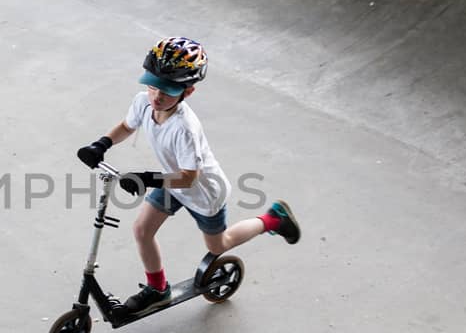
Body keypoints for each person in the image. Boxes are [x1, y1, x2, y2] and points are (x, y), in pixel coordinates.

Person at [77, 36, 300, 314]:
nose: (157, 96)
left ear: (188, 92)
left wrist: (147, 178)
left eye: (168, 91)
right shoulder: (143, 103)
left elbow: (188, 178)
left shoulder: (185, 128)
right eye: (153, 85)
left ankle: (273, 219)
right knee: (142, 230)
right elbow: (126, 125)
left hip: (202, 191)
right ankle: (157, 289)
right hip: (171, 181)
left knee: (220, 244)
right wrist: (102, 144)